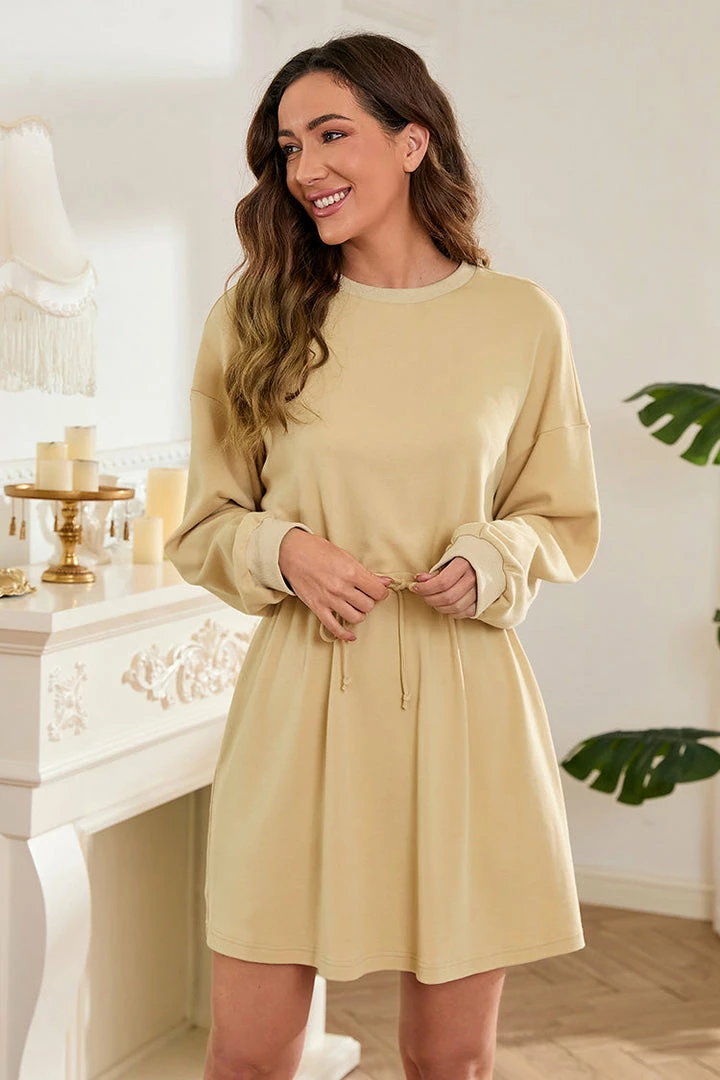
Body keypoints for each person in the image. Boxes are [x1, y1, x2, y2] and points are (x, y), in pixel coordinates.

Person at [165, 30, 601, 1080]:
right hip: (300, 706)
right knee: (247, 1058)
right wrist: (286, 550)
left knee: (451, 1063)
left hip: (465, 707)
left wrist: (493, 555)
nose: (304, 168)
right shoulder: (254, 316)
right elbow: (205, 524)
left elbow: (561, 518)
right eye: (287, 147)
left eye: (332, 135)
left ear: (413, 143)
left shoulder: (520, 321)